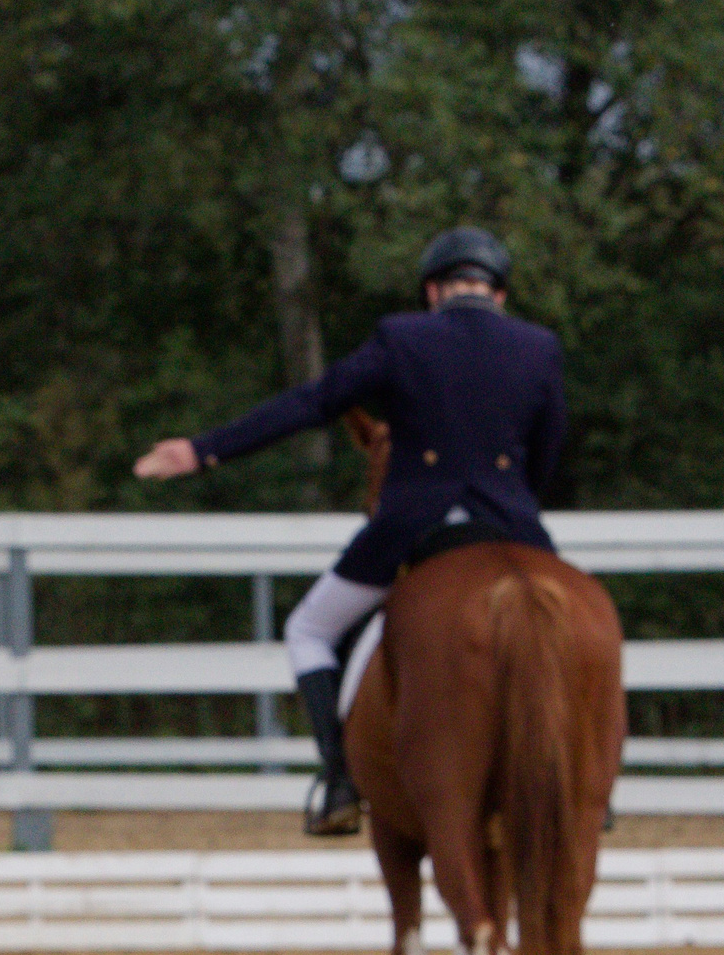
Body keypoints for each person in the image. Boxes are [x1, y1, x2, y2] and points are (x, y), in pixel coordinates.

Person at [132, 226, 565, 835]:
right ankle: (577, 777)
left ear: (433, 292)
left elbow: (312, 403)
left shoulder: (402, 337)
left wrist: (205, 450)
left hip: (414, 527)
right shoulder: (540, 347)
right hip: (513, 527)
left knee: (308, 628)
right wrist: (511, 502)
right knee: (568, 629)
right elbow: (546, 453)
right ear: (499, 295)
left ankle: (339, 779)